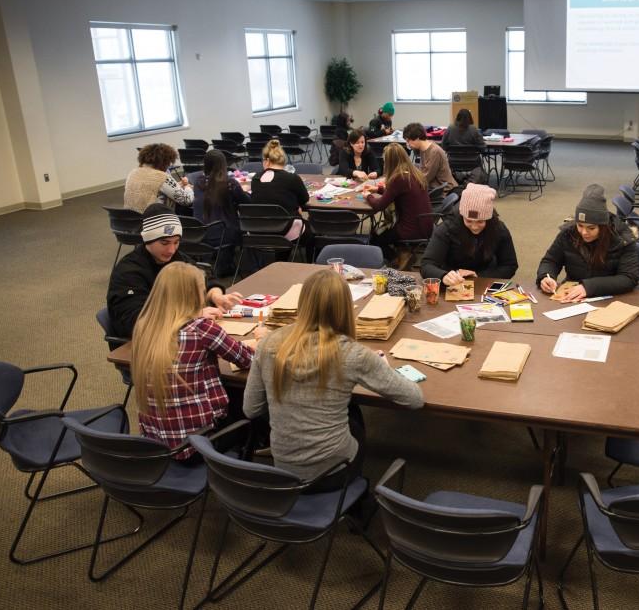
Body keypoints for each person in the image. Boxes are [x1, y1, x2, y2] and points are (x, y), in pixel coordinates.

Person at [242, 270, 424, 486]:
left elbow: (251, 409)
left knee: (348, 409)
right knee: (354, 416)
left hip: (283, 470)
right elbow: (415, 399)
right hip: (332, 473)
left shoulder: (268, 344)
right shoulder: (353, 354)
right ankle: (355, 491)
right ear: (346, 307)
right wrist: (379, 369)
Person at [131, 262, 264, 461]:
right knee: (252, 407)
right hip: (199, 445)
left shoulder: (144, 327)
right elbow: (251, 360)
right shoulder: (201, 329)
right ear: (194, 295)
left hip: (157, 442)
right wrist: (262, 341)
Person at [107, 204, 243, 339]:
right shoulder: (129, 272)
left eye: (176, 242)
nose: (171, 250)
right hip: (145, 345)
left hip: (174, 334)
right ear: (147, 239)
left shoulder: (177, 258)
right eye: (164, 243)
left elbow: (204, 278)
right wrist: (192, 315)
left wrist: (215, 295)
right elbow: (136, 321)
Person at [537, 184, 639, 302]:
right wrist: (545, 276)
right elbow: (551, 260)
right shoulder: (568, 233)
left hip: (608, 298)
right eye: (580, 225)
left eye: (591, 228)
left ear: (603, 227)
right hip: (572, 294)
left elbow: (628, 278)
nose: (584, 232)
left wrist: (588, 287)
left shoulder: (623, 239)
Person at [420, 183, 518, 285]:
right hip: (451, 277)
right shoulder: (447, 229)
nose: (474, 227)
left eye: (480, 221)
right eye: (469, 221)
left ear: (488, 219)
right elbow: (426, 265)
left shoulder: (499, 229)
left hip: (485, 278)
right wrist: (443, 276)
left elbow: (510, 265)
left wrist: (480, 276)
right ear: (462, 216)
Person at [363, 143, 434, 263]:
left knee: (375, 239)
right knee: (382, 234)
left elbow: (379, 206)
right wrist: (379, 190)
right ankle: (403, 251)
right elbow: (398, 193)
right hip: (425, 225)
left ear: (390, 162)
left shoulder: (399, 178)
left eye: (385, 161)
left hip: (411, 229)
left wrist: (368, 196)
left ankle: (398, 258)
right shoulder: (412, 173)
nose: (384, 164)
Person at [189, 150, 250, 277]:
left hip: (201, 234)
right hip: (224, 233)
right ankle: (235, 265)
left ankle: (222, 262)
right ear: (223, 164)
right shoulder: (229, 184)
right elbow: (246, 203)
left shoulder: (198, 182)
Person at [249, 139, 312, 261]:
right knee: (312, 231)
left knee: (282, 219)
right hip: (285, 230)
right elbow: (305, 199)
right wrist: (295, 206)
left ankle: (277, 261)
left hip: (259, 230)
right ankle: (310, 263)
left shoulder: (256, 179)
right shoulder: (292, 178)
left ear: (267, 161)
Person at [124, 143, 194, 212]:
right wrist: (188, 188)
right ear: (164, 162)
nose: (168, 166)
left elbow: (155, 187)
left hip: (131, 218)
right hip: (152, 220)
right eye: (169, 163)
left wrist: (179, 185)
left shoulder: (133, 172)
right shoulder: (161, 177)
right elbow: (186, 200)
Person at [404, 122, 455, 194]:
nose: (408, 144)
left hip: (443, 190)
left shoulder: (434, 152)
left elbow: (425, 178)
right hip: (434, 187)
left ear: (417, 138)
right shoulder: (423, 148)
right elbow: (422, 171)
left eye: (408, 140)